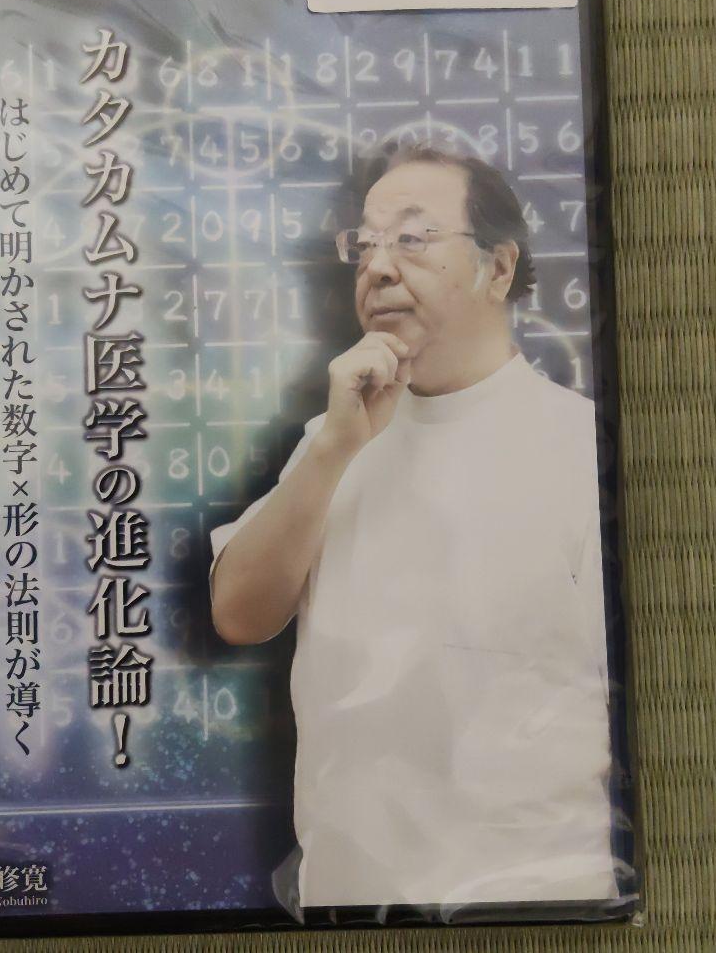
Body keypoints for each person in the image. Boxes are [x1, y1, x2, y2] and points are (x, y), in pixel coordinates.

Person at [208, 146, 618, 910]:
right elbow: (238, 613)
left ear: (498, 267)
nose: (378, 267)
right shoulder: (332, 439)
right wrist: (334, 448)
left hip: (538, 901)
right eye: (364, 244)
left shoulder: (582, 446)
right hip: (348, 896)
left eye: (413, 238)